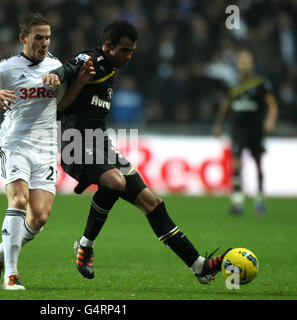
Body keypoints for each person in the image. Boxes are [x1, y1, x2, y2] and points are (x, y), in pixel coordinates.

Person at [51, 20, 231, 284]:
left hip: (101, 146)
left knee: (153, 203)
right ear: (108, 46)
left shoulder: (111, 69)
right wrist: (55, 75)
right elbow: (68, 68)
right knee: (114, 181)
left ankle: (198, 265)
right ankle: (85, 245)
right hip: (74, 145)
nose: (128, 57)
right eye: (124, 51)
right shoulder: (91, 60)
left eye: (131, 51)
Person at [0, 13, 62, 290]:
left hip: (45, 148)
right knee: (18, 201)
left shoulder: (57, 67)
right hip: (15, 143)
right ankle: (11, 274)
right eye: (38, 37)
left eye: (47, 37)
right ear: (23, 38)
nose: (44, 42)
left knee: (39, 218)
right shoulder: (8, 68)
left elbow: (67, 102)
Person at [213, 50, 278, 216]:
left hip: (256, 130)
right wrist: (219, 124)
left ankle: (260, 199)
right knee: (236, 164)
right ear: (237, 64)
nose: (244, 64)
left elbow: (272, 104)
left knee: (258, 163)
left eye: (247, 61)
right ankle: (237, 201)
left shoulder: (261, 83)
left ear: (252, 64)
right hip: (238, 129)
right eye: (241, 61)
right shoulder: (231, 85)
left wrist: (270, 120)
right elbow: (225, 106)